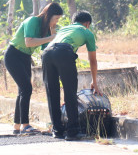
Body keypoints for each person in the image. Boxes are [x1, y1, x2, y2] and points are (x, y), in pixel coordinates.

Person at [4, 2, 63, 135]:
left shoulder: (46, 28)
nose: (57, 21)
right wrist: (50, 37)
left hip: (26, 57)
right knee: (26, 88)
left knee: (23, 90)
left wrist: (52, 33)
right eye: (56, 18)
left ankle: (17, 126)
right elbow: (28, 42)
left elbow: (46, 48)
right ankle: (25, 125)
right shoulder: (32, 21)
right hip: (13, 54)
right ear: (48, 15)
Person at [42, 10, 101, 141]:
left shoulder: (64, 29)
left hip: (47, 53)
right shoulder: (87, 32)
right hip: (64, 52)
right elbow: (93, 60)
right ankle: (72, 131)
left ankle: (57, 130)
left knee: (52, 92)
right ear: (87, 23)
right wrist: (94, 82)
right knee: (70, 92)